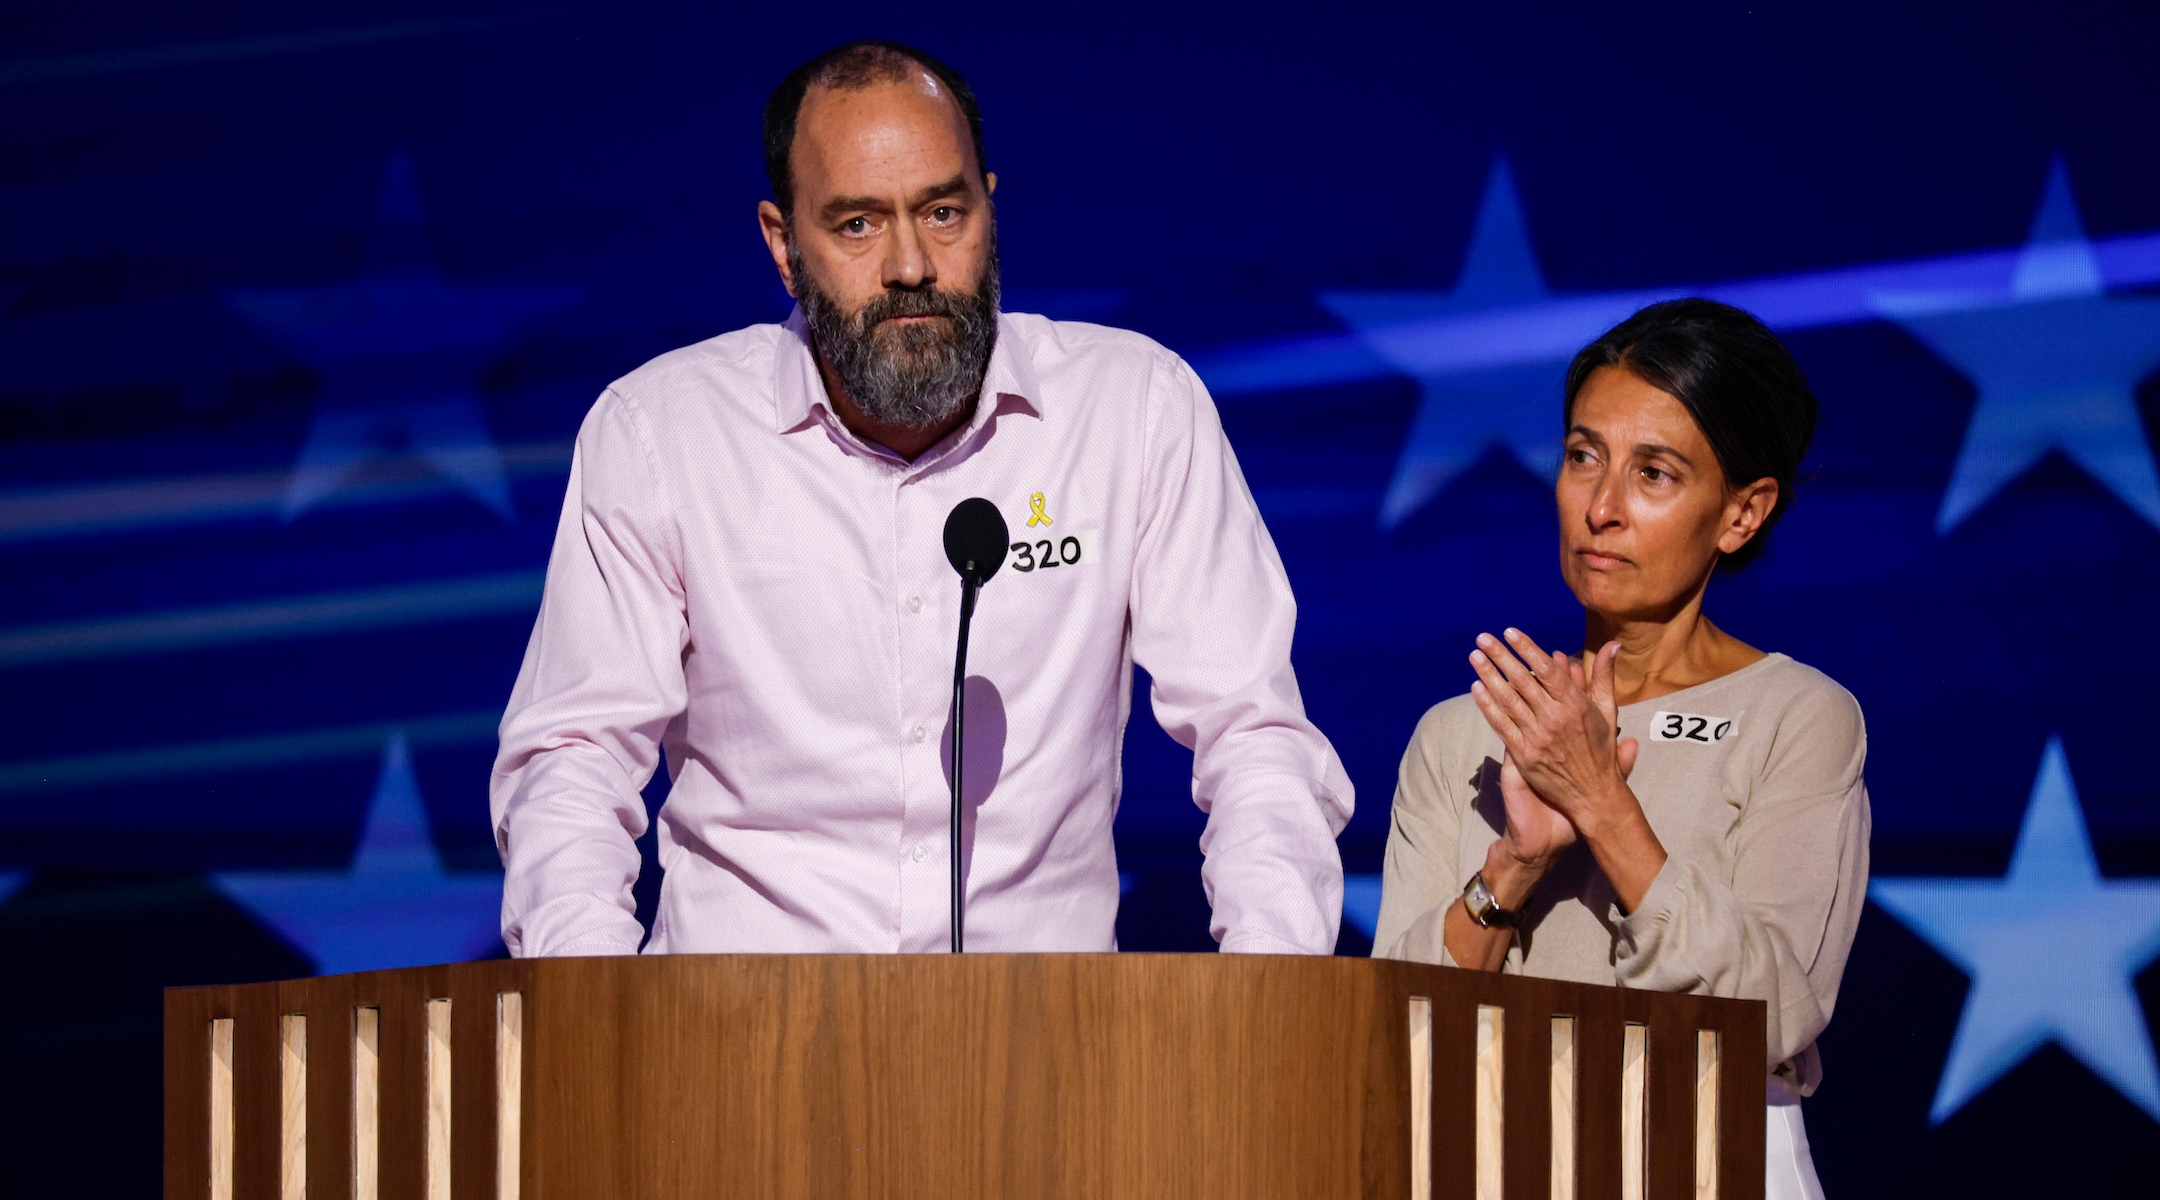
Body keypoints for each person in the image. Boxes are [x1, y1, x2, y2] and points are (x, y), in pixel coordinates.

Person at [490, 41, 1352, 958]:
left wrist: (1271, 995)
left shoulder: (1132, 410)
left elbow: (1253, 734)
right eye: (857, 224)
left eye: (944, 212)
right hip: (733, 1057)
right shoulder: (660, 435)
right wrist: (606, 1034)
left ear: (990, 204)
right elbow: (572, 765)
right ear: (784, 247)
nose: (910, 264)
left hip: (1048, 1056)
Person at [1372, 299, 1867, 1200]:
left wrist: (1603, 805)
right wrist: (1513, 868)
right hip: (1487, 1151)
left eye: (1656, 474)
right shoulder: (1463, 732)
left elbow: (1776, 1017)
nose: (1601, 507)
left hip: (1709, 1154)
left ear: (1742, 515)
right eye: (1582, 456)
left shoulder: (1799, 717)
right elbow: (1393, 1029)